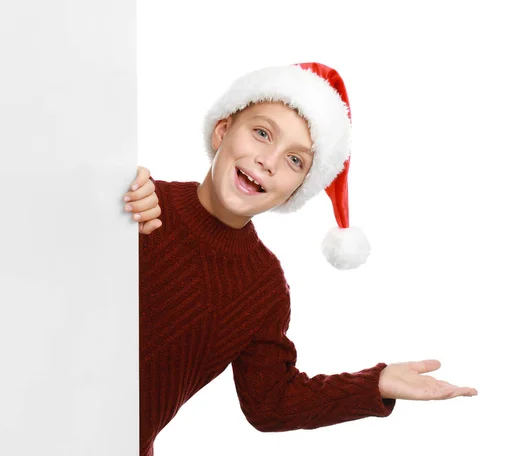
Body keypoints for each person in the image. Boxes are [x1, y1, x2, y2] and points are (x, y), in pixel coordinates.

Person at [124, 62, 478, 456]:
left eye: (295, 161)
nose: (269, 161)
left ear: (297, 191)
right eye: (261, 133)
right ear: (222, 130)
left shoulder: (262, 286)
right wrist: (110, 207)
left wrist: (373, 385)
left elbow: (270, 403)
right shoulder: (142, 202)